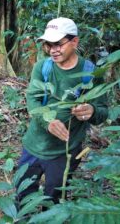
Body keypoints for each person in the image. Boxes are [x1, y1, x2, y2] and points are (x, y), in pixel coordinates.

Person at [16, 17, 108, 204]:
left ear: (74, 41)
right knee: (22, 192)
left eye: (58, 44)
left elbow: (103, 111)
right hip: (35, 145)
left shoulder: (91, 72)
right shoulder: (43, 67)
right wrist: (47, 122)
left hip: (66, 151)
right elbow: (32, 99)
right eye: (48, 45)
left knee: (54, 199)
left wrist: (91, 110)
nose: (52, 50)